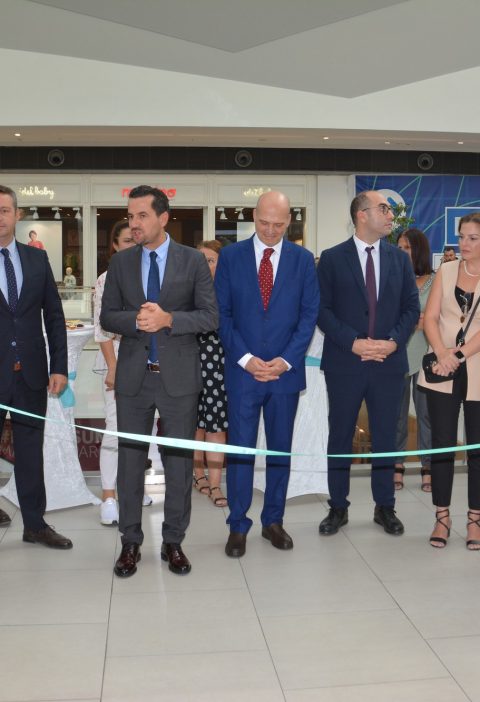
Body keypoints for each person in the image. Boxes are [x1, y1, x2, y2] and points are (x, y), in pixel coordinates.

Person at [100, 185, 218, 577]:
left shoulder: (192, 261)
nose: (134, 224)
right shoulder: (121, 263)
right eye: (130, 217)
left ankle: (173, 542)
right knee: (130, 465)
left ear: (163, 218)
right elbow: (107, 316)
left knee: (179, 466)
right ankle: (130, 542)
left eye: (142, 216)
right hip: (134, 379)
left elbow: (209, 316)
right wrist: (136, 320)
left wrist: (169, 319)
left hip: (179, 379)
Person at [215, 190, 319, 558]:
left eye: (278, 224)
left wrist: (286, 361)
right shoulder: (231, 257)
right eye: (264, 222)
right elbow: (222, 314)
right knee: (241, 451)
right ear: (253, 217)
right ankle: (238, 524)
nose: (271, 230)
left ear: (289, 221)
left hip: (284, 375)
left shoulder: (303, 260)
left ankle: (273, 520)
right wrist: (245, 358)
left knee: (279, 451)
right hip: (243, 373)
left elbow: (308, 315)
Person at [317, 190, 419, 537]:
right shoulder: (332, 259)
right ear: (362, 215)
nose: (390, 215)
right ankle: (338, 507)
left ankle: (385, 506)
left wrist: (392, 342)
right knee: (340, 435)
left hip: (388, 363)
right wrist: (353, 342)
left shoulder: (399, 259)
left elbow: (411, 308)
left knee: (387, 436)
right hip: (345, 362)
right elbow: (321, 310)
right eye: (383, 209)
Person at [0, 184, 72, 548]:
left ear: (17, 214)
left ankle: (34, 525)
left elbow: (54, 316)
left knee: (30, 452)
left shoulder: (36, 259)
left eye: (4, 210)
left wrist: (58, 366)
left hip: (30, 373)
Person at [418, 212, 480, 550]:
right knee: (442, 444)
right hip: (441, 369)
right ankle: (442, 517)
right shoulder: (446, 270)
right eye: (461, 236)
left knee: (477, 449)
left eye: (473, 238)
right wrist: (442, 353)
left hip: (475, 367)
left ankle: (475, 520)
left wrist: (458, 355)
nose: (464, 243)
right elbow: (429, 318)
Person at [93, 220, 152, 526]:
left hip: (148, 361)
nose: (133, 244)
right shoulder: (106, 279)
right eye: (126, 240)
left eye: (136, 239)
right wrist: (114, 368)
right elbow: (101, 329)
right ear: (115, 246)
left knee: (142, 429)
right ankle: (108, 495)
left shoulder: (150, 272)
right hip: (117, 359)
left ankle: (134, 487)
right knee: (115, 429)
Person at [394, 229, 434, 491]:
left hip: (428, 357)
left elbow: (441, 317)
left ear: (418, 250)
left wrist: (426, 322)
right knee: (396, 416)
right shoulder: (393, 278)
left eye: (407, 248)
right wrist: (413, 321)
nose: (401, 252)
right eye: (399, 248)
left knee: (426, 416)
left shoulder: (436, 280)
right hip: (397, 356)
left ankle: (427, 467)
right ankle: (396, 465)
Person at [193, 239, 228, 507]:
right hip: (189, 363)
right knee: (195, 424)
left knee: (216, 423)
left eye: (211, 260)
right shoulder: (186, 291)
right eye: (201, 260)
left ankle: (215, 484)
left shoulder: (228, 291)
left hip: (221, 365)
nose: (205, 265)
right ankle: (198, 476)